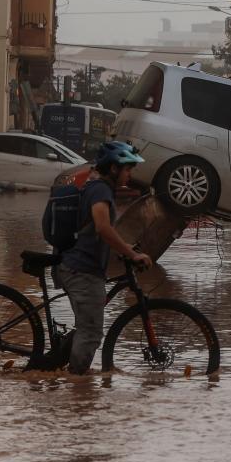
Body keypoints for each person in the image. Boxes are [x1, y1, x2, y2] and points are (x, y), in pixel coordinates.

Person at [53, 141, 153, 375]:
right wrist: (132, 254)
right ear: (114, 168)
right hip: (81, 269)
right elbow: (102, 227)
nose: (130, 174)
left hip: (75, 265)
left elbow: (97, 231)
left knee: (86, 327)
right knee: (91, 332)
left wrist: (125, 247)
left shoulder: (95, 187)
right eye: (127, 169)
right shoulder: (100, 190)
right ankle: (77, 384)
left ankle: (61, 368)